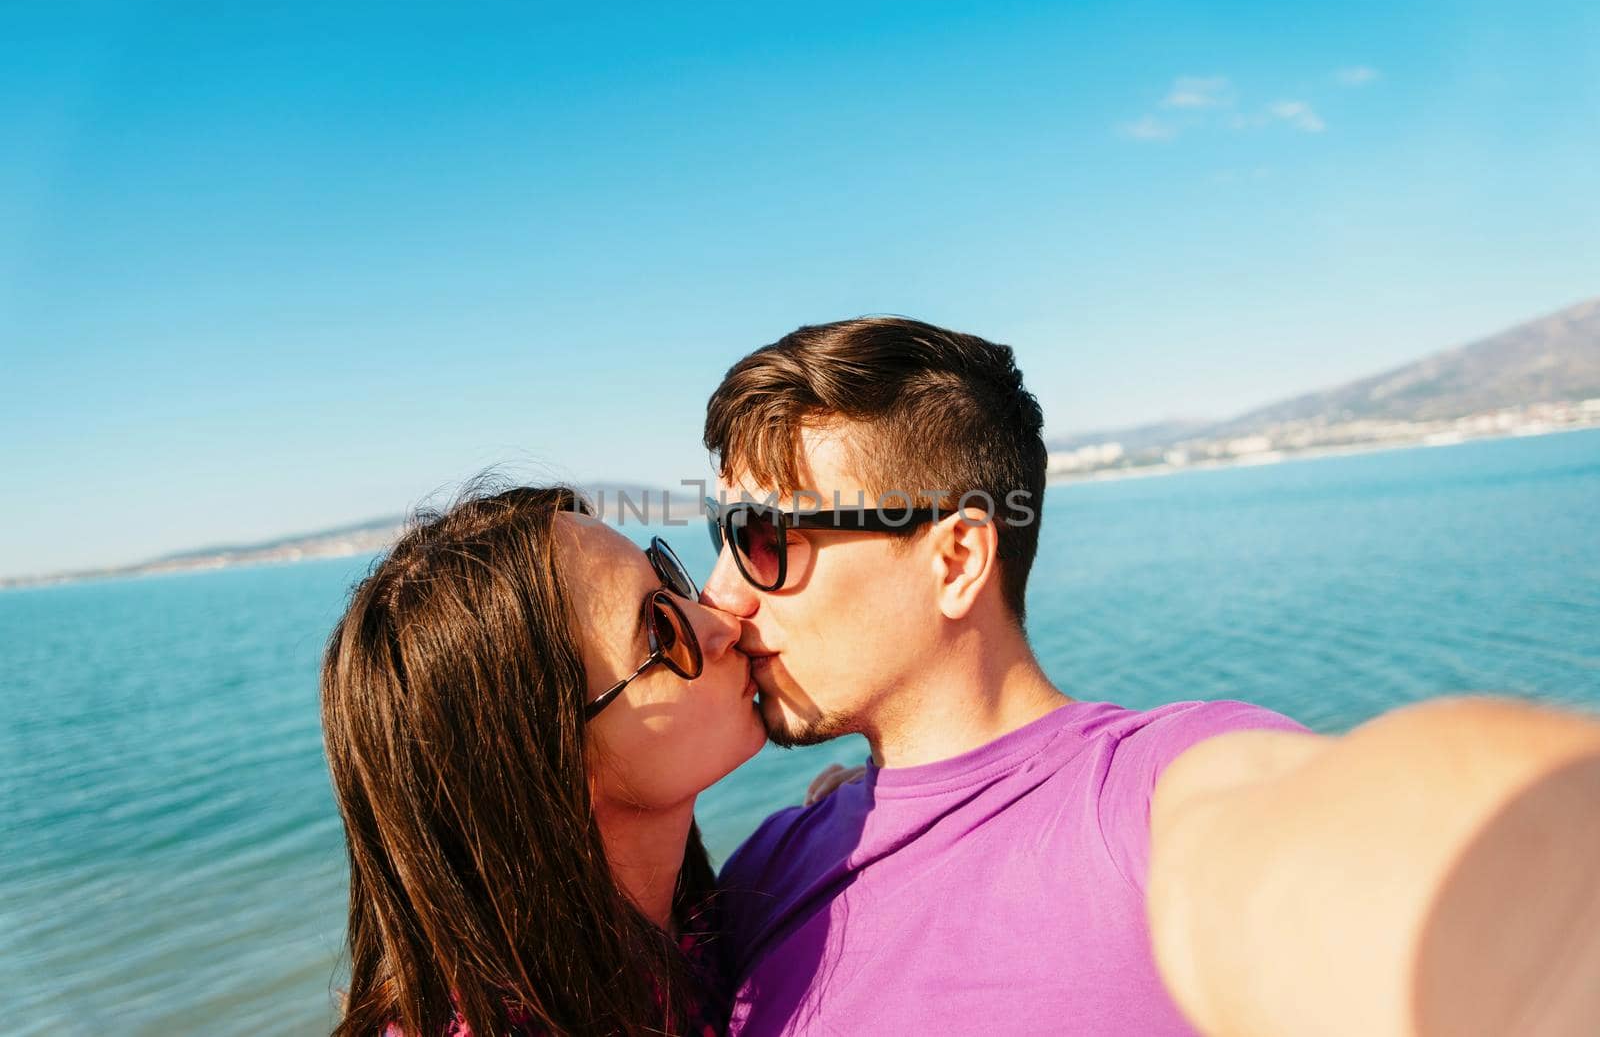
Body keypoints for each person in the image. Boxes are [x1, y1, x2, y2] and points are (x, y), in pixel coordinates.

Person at [700, 316, 1600, 1036]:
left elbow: (1343, 842)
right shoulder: (768, 862)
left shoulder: (1149, 793)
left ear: (957, 559)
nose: (720, 595)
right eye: (721, 536)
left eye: (767, 540)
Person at [320, 485, 766, 1036]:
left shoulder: (696, 928)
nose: (722, 623)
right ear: (550, 766)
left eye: (670, 583)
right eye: (658, 630)